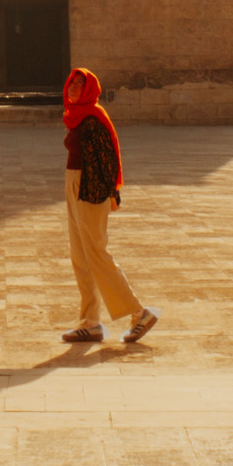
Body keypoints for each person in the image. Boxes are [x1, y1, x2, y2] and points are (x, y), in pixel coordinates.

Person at [60, 66, 158, 346]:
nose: (74, 87)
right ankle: (91, 322)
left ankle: (140, 313)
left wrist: (105, 195)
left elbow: (107, 161)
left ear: (90, 88)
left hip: (89, 189)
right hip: (74, 183)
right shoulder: (76, 117)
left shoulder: (93, 117)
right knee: (80, 256)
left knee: (96, 253)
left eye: (80, 83)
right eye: (72, 83)